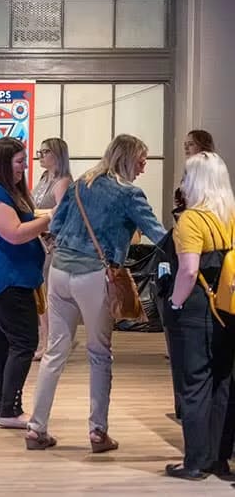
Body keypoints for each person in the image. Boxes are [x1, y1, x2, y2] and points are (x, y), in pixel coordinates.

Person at [25, 134, 166, 451]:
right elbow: (159, 235)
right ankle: (97, 432)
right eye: (142, 160)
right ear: (129, 158)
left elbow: (56, 225)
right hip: (94, 276)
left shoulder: (80, 184)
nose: (143, 168)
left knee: (54, 352)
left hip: (60, 272)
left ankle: (36, 428)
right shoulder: (129, 194)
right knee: (99, 354)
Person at [163, 152, 235, 480]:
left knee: (195, 384)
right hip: (229, 308)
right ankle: (218, 460)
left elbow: (189, 270)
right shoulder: (231, 215)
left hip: (198, 310)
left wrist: (175, 304)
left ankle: (194, 462)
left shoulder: (191, 219)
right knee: (223, 382)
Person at [0, 137, 49, 429]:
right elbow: (14, 233)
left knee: (0, 342)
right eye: (19, 162)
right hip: (6, 280)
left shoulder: (6, 191)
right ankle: (10, 409)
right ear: (4, 163)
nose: (23, 167)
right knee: (24, 342)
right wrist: (48, 219)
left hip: (8, 278)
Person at [31, 138, 72, 361]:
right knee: (40, 294)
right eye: (40, 151)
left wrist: (35, 215)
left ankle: (51, 342)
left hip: (53, 244)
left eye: (45, 151)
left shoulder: (63, 181)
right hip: (37, 240)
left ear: (57, 154)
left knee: (50, 295)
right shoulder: (44, 178)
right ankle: (43, 339)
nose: (40, 155)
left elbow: (58, 214)